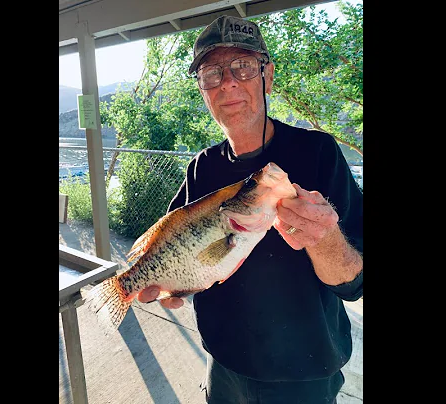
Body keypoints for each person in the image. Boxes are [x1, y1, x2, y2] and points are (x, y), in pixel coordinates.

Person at [137, 15, 363, 403]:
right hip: (222, 362)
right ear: (204, 92)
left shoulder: (318, 153)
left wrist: (325, 237)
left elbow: (353, 283)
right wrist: (168, 284)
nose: (228, 82)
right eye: (212, 73)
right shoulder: (201, 167)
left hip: (304, 373)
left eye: (243, 66)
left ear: (268, 77)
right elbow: (173, 247)